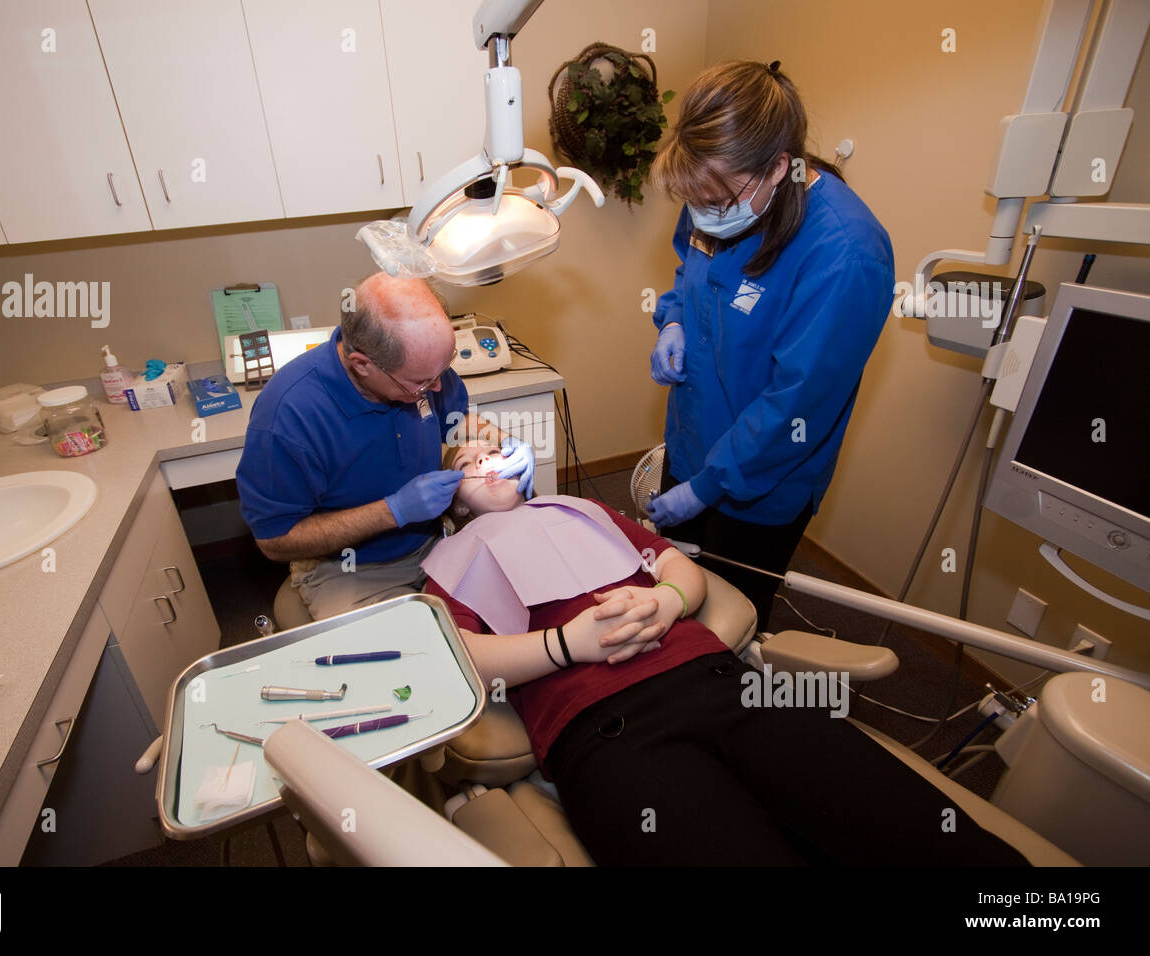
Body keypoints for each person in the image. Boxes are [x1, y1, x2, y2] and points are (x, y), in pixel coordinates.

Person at [422, 441, 1028, 866]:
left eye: (497, 450)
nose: (488, 463)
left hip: (725, 683)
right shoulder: (451, 566)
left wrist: (668, 603)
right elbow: (463, 655)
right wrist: (565, 643)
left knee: (923, 834)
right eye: (468, 464)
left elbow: (678, 566)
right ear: (454, 503)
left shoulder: (586, 511)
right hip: (605, 732)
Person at [645, 60, 895, 631]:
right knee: (668, 596)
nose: (703, 212)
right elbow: (691, 264)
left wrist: (710, 486)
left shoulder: (846, 256)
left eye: (716, 200)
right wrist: (673, 320)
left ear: (779, 167)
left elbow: (796, 406)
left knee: (723, 627)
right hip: (692, 438)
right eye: (697, 199)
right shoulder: (723, 192)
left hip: (758, 481)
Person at [236, 273, 535, 621]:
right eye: (421, 383)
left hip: (435, 542)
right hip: (350, 570)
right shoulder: (287, 417)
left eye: (443, 370)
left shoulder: (424, 366)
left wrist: (504, 441)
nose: (438, 386)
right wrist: (394, 510)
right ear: (362, 364)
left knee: (507, 615)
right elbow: (275, 539)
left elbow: (455, 419)